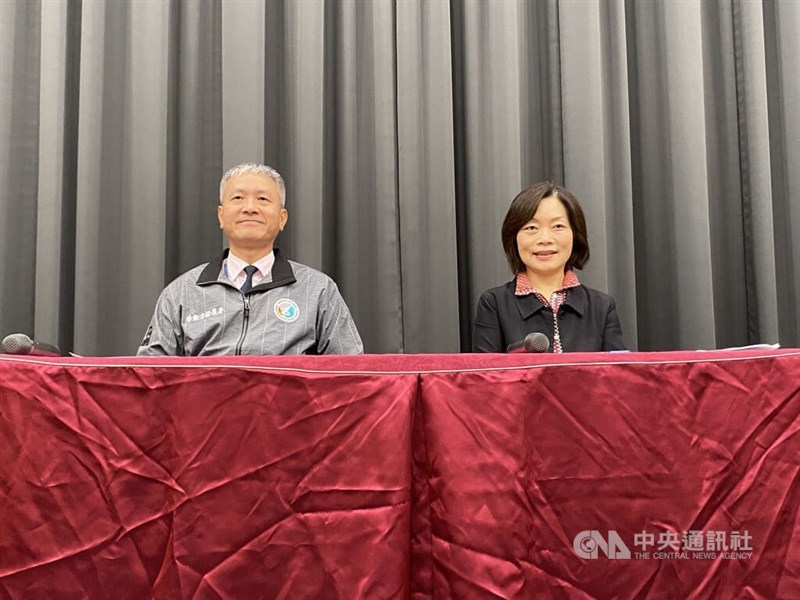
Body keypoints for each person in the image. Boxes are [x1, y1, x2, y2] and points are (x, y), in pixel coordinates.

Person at [137, 162, 363, 356]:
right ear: (221, 216)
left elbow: (352, 374)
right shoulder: (181, 292)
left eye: (263, 199)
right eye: (238, 198)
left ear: (282, 218)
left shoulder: (318, 290)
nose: (250, 208)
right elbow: (149, 375)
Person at [473, 181, 625, 353]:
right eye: (531, 227)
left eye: (558, 226)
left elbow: (617, 375)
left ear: (575, 235)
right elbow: (484, 375)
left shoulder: (602, 307)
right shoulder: (494, 304)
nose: (545, 238)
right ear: (513, 238)